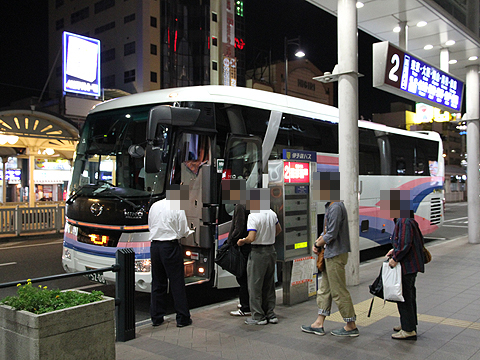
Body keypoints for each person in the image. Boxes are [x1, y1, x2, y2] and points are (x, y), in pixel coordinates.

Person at [301, 172, 359, 337]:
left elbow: (331, 234)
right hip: (330, 253)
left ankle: (351, 324)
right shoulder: (332, 205)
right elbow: (326, 231)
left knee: (338, 291)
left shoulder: (335, 207)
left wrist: (316, 243)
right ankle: (319, 323)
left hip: (335, 255)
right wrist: (319, 243)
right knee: (325, 290)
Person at [383, 189, 425, 340]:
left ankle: (408, 329)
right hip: (410, 265)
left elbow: (405, 244)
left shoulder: (403, 220)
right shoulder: (404, 219)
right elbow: (403, 242)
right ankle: (408, 324)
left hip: (407, 265)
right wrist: (394, 250)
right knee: (408, 295)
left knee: (404, 297)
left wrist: (396, 258)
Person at [149, 184, 193, 327]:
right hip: (170, 246)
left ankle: (156, 317)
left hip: (155, 246)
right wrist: (190, 232)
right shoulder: (177, 208)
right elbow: (182, 231)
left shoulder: (154, 205)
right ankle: (182, 318)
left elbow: (150, 225)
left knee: (158, 282)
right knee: (176, 282)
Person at [238, 188, 282, 325]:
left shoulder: (253, 216)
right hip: (271, 251)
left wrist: (242, 241)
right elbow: (278, 230)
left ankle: (258, 316)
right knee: (269, 285)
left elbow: (251, 237)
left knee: (255, 286)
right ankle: (271, 314)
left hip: (258, 253)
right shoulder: (271, 213)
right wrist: (268, 238)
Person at [222, 178, 251, 316]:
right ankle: (247, 303)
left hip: (242, 246)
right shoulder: (249, 203)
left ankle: (245, 307)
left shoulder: (240, 206)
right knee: (246, 276)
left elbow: (238, 229)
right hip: (249, 245)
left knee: (242, 277)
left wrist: (230, 242)